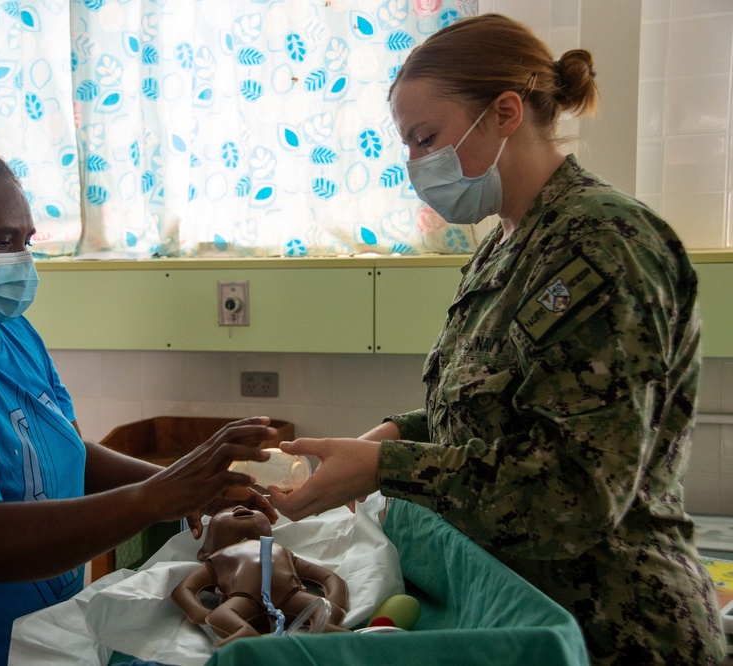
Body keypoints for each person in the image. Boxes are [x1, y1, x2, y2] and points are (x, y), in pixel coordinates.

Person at [267, 14, 726, 666]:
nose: (415, 165)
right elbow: (501, 410)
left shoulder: (604, 243)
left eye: (426, 139)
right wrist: (396, 434)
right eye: (407, 145)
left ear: (505, 112)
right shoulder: (503, 249)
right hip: (524, 610)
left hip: (617, 628)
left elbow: (579, 491)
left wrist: (384, 469)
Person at [0, 106, 278, 665]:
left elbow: (69, 455)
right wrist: (153, 499)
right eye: (3, 239)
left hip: (42, 640)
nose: (22, 258)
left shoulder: (9, 331)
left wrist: (189, 488)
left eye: (27, 238)